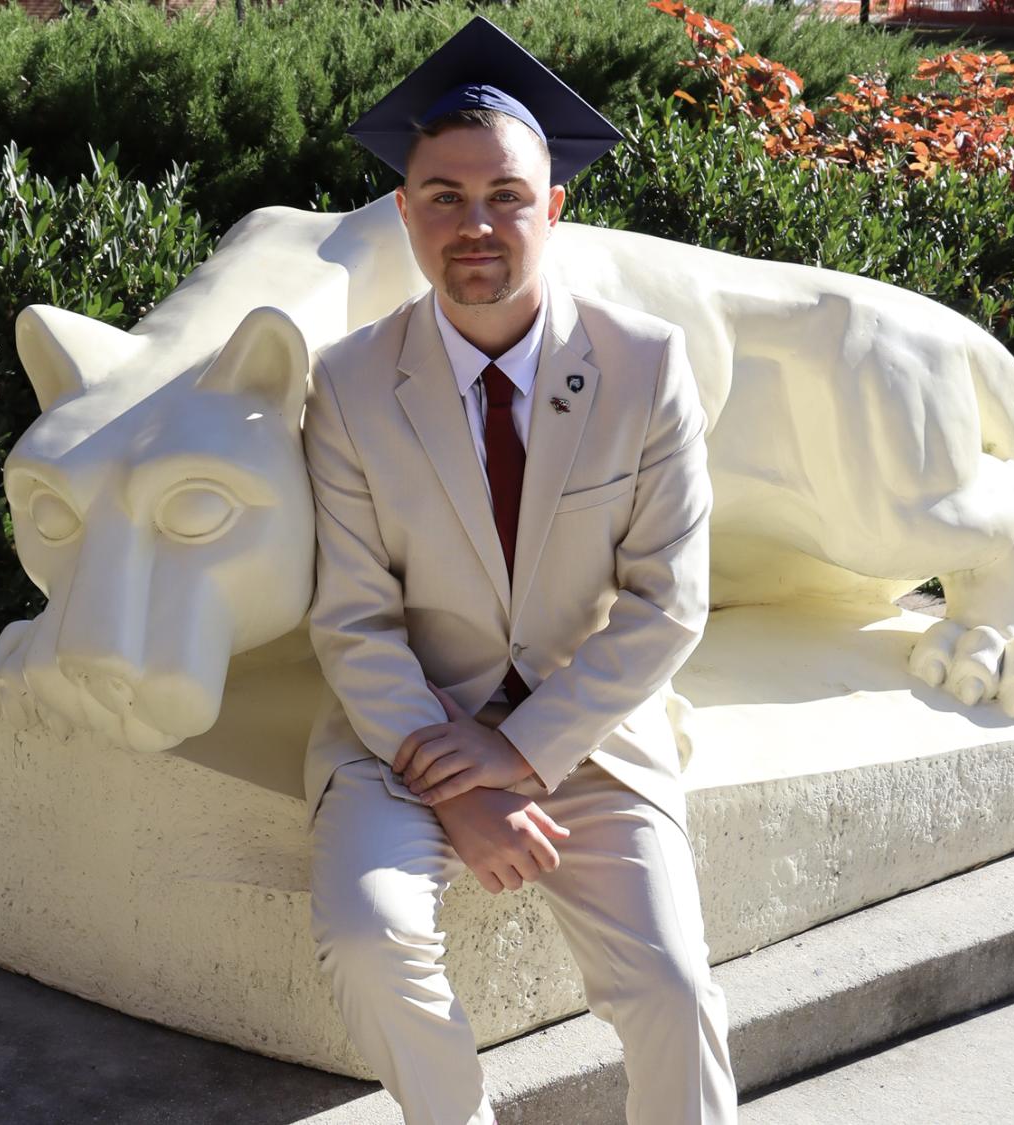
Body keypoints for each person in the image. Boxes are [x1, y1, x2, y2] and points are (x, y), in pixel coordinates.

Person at [299, 17, 737, 1125]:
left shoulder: (645, 367)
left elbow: (666, 604)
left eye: (505, 194)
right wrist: (461, 778)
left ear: (554, 208)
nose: (475, 223)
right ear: (404, 215)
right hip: (403, 734)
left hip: (585, 730)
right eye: (443, 197)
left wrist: (520, 756)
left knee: (677, 994)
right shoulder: (349, 385)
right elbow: (353, 618)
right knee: (367, 935)